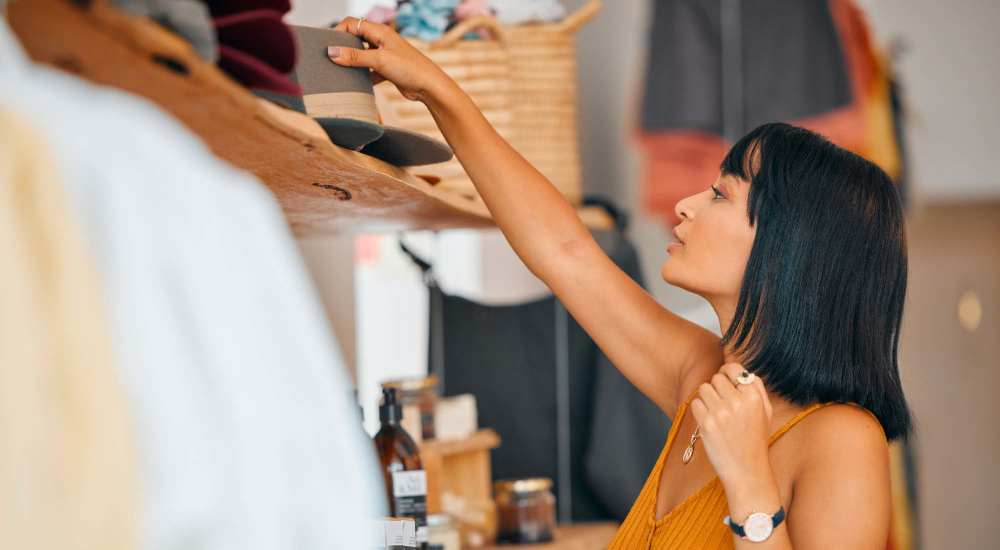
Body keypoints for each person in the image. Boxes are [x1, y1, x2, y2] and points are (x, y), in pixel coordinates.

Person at [328, 16, 911, 549]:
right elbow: (565, 252)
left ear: (788, 248)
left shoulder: (842, 440)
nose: (683, 205)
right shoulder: (701, 377)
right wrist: (435, 88)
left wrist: (749, 483)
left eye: (719, 194)